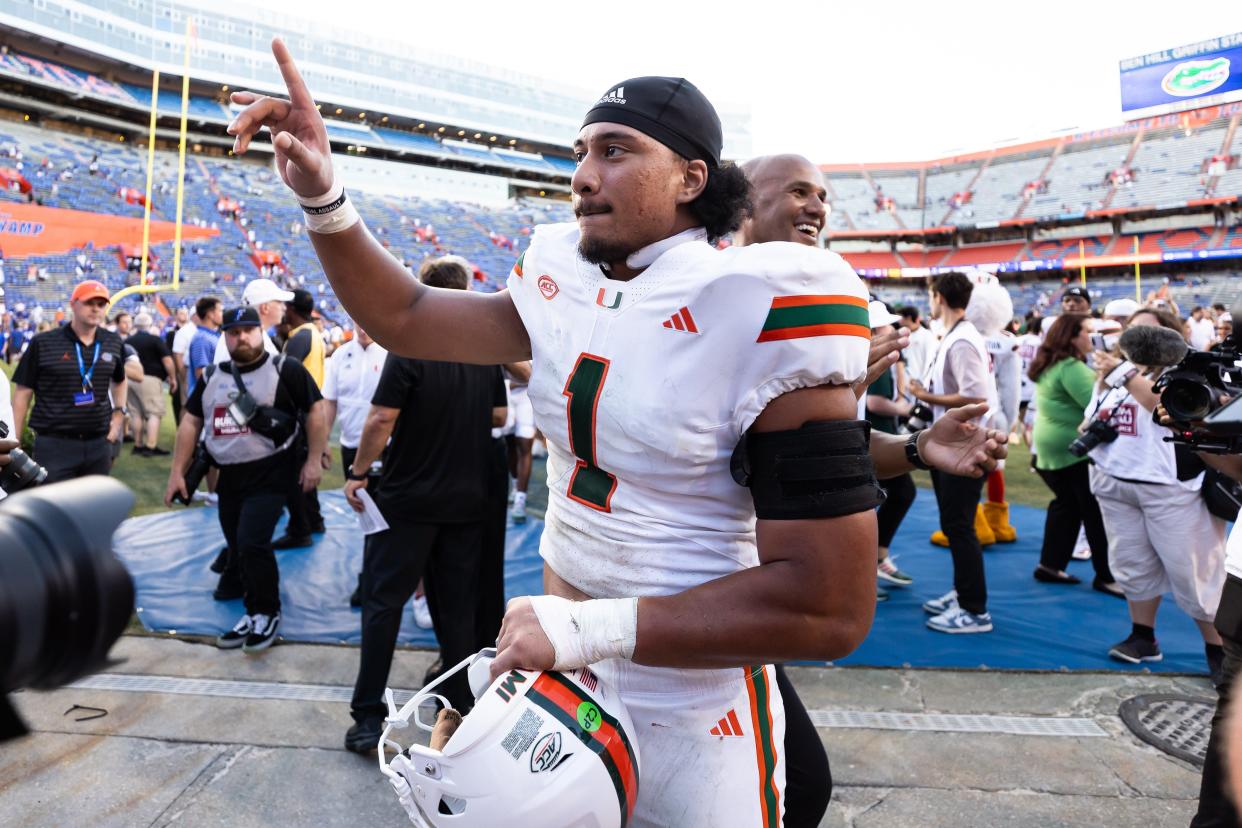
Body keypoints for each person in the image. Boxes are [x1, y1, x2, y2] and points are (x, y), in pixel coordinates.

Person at [229, 49, 1004, 824]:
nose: (583, 175)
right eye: (581, 152)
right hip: (563, 670)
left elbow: (829, 606)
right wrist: (325, 196)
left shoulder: (763, 301)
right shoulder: (562, 271)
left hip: (694, 704)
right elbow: (404, 315)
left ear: (691, 179)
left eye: (615, 150)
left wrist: (587, 628)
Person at [341, 256, 508, 749]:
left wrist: (357, 473)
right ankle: (457, 715)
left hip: (408, 499)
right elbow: (499, 414)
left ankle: (369, 715)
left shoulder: (410, 343)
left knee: (382, 605)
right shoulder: (481, 350)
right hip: (465, 500)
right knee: (456, 613)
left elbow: (379, 419)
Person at [164, 306, 327, 653]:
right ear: (225, 336)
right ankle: (253, 612)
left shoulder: (286, 369)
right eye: (234, 332)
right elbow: (191, 422)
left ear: (260, 331)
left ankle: (267, 612)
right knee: (238, 547)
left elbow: (316, 409)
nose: (242, 338)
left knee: (253, 543)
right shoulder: (212, 376)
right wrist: (178, 472)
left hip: (272, 472)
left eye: (248, 330)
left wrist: (314, 459)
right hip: (229, 477)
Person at [1087, 307, 1226, 676]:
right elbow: (1091, 417)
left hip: (1169, 484)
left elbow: (1162, 408)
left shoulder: (1186, 371)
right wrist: (1108, 382)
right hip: (1115, 476)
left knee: (1193, 571)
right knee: (1131, 565)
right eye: (1133, 331)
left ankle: (1219, 651)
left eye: (1149, 332)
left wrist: (1125, 375)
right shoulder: (1114, 371)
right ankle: (1143, 636)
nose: (1138, 340)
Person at [910, 272, 997, 634]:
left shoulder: (961, 340)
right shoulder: (957, 335)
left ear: (938, 297)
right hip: (956, 443)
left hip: (964, 445)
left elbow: (977, 397)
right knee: (954, 524)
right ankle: (963, 593)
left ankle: (974, 609)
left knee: (960, 526)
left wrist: (925, 396)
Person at [1027, 313, 1118, 592]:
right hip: (1072, 450)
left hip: (1049, 446)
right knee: (1093, 511)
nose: (1091, 337)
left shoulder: (1055, 364)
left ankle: (1050, 565)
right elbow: (1102, 405)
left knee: (1067, 505)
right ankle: (1107, 576)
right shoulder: (1072, 368)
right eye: (1087, 331)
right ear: (1072, 336)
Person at [10, 280, 127, 484]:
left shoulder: (113, 341)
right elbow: (23, 393)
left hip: (99, 443)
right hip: (55, 444)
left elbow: (120, 380)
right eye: (90, 302)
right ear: (73, 304)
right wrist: (15, 441)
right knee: (53, 509)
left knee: (94, 508)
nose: (96, 309)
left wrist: (118, 414)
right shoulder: (44, 342)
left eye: (101, 304)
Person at [322, 322, 388, 606]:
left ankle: (377, 578)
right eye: (357, 321)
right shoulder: (339, 356)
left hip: (387, 450)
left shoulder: (390, 353)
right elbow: (330, 403)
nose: (363, 327)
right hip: (351, 448)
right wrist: (322, 442)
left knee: (388, 513)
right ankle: (373, 576)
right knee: (367, 515)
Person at [272, 287, 327, 549]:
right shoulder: (311, 333)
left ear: (291, 309)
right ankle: (313, 520)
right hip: (309, 409)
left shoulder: (300, 337)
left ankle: (299, 528)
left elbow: (283, 373)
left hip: (299, 412)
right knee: (304, 470)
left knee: (294, 472)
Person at [125, 312, 176, 456]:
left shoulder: (128, 341)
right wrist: (172, 378)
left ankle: (138, 444)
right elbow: (167, 360)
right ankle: (151, 446)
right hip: (149, 378)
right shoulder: (155, 340)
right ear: (149, 325)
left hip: (130, 378)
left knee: (136, 414)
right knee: (154, 412)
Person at [211, 278, 290, 364]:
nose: (284, 307)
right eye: (279, 302)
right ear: (265, 308)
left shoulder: (233, 336)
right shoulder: (252, 340)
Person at [186, 296, 223, 397]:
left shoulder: (212, 335)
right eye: (220, 311)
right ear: (210, 314)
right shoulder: (202, 339)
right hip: (205, 397)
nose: (222, 314)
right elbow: (201, 374)